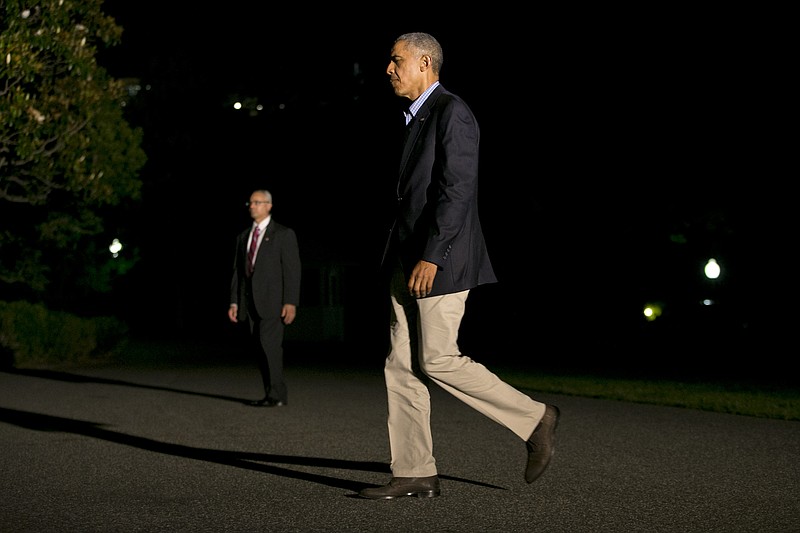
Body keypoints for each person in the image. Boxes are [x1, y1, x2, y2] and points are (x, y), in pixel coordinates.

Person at [358, 32, 560, 500]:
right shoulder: (415, 119)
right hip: (406, 261)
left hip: (439, 260)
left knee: (437, 358)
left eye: (396, 60)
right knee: (402, 365)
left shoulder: (453, 113)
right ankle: (414, 471)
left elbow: (457, 191)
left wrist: (433, 253)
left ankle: (536, 419)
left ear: (425, 62)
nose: (388, 69)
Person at [228, 189, 301, 407]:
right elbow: (238, 272)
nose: (252, 206)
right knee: (260, 348)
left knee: (270, 346)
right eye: (250, 203)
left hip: (273, 302)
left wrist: (290, 301)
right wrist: (234, 301)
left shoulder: (283, 234)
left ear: (269, 206)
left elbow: (292, 270)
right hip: (250, 302)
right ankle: (271, 393)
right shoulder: (243, 237)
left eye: (257, 202)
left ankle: (277, 394)